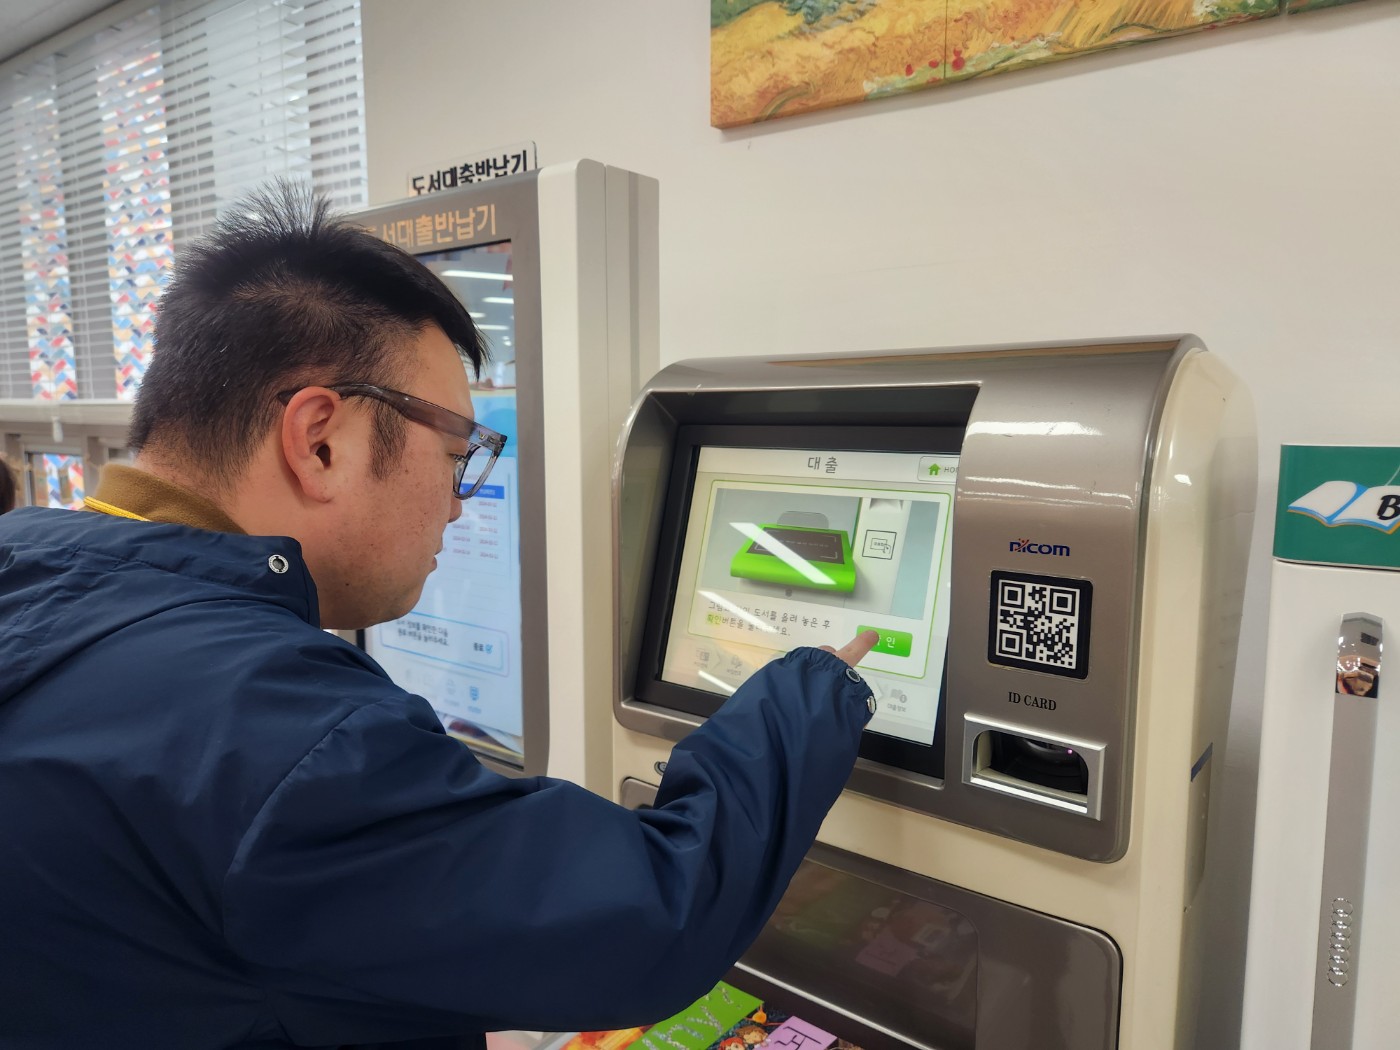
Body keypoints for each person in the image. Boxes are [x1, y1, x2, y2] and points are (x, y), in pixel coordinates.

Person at [0, 181, 880, 1050]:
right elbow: (655, 914)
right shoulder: (275, 730)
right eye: (457, 453)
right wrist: (811, 690)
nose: (460, 504)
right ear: (319, 440)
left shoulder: (31, 571)